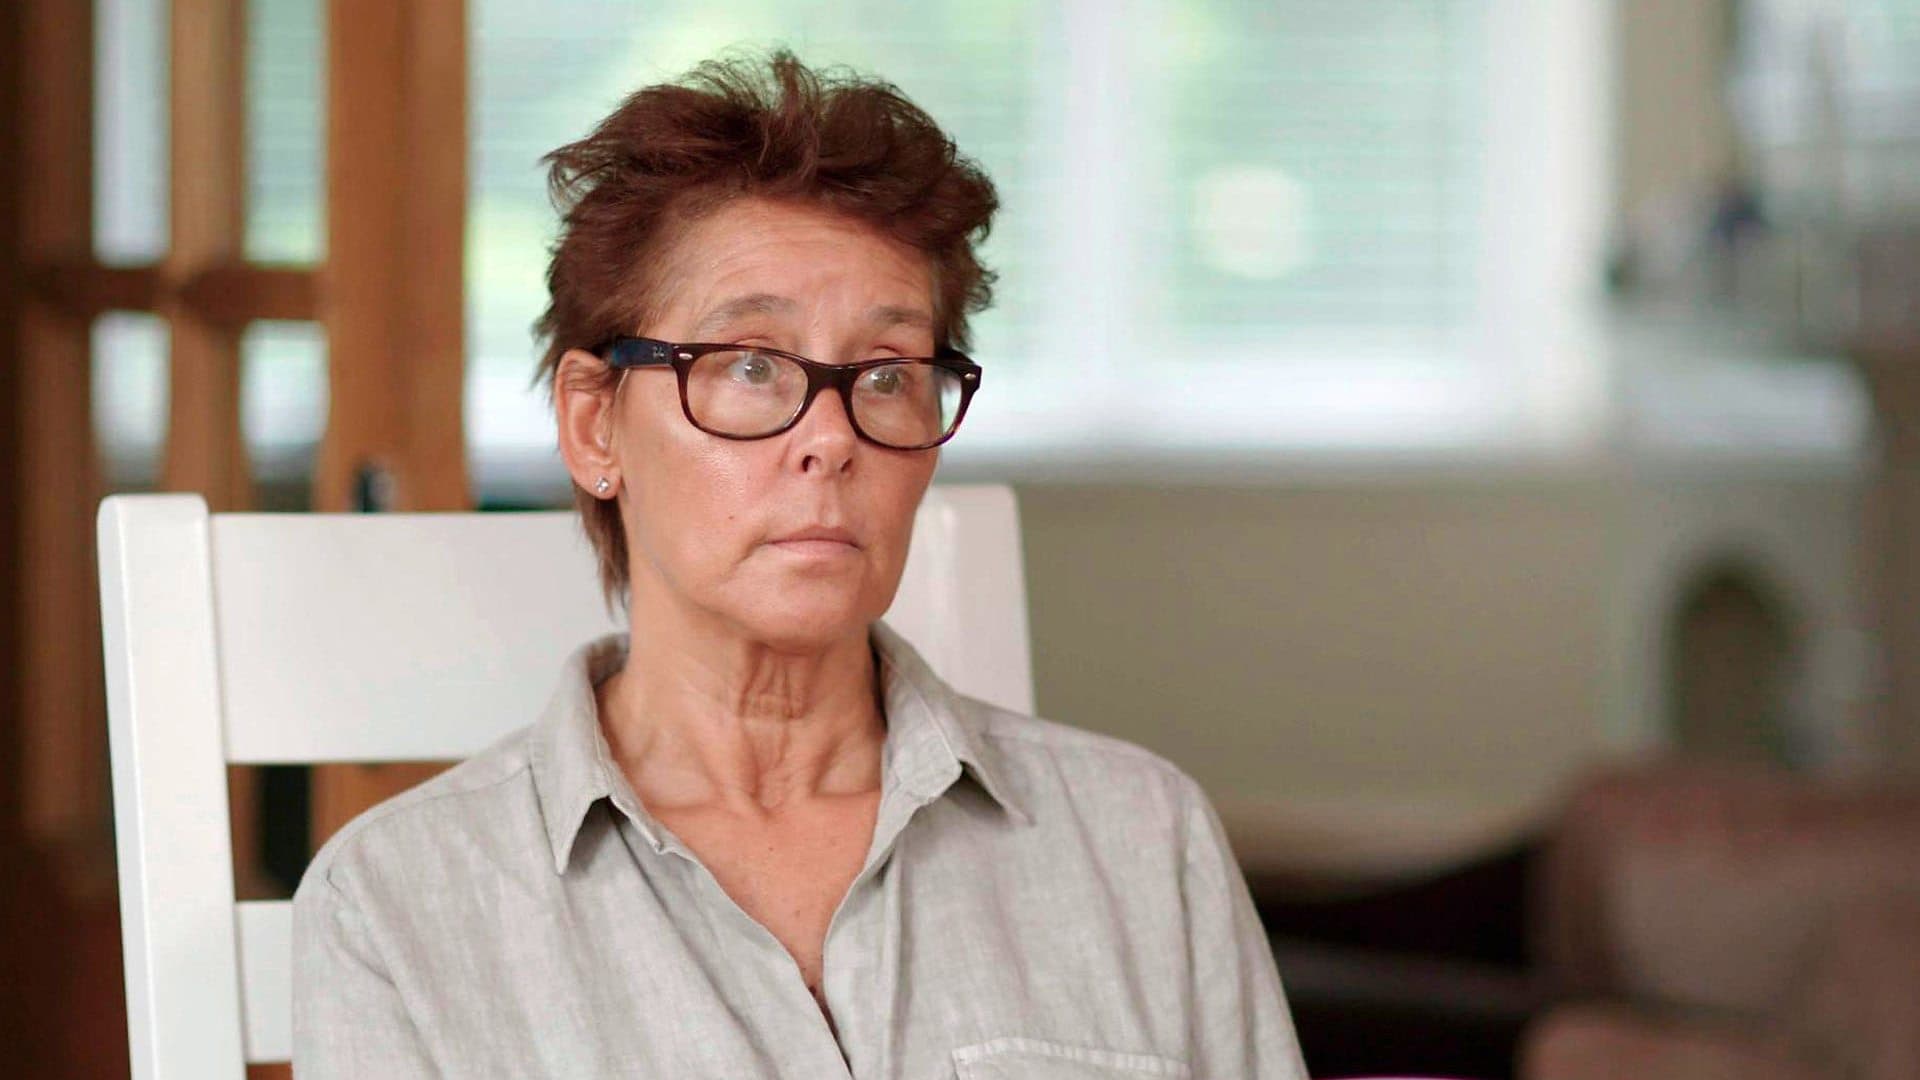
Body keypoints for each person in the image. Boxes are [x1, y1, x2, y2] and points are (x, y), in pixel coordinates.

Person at [293, 50, 1309, 1079]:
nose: (831, 437)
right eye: (749, 365)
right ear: (595, 424)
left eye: (888, 376)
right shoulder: (396, 907)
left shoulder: (1141, 838)